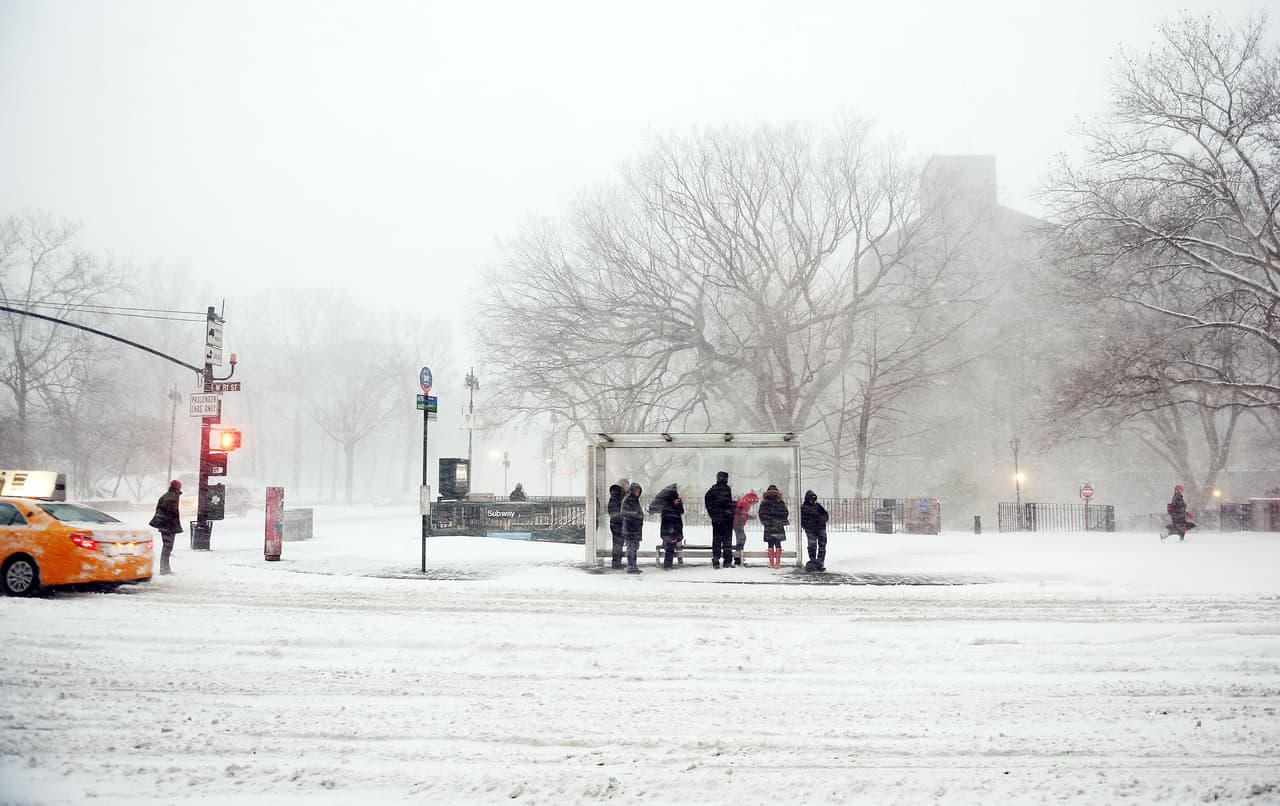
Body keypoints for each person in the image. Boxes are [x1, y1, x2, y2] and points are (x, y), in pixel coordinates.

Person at [149, 479, 184, 575]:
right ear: (177, 487)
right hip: (168, 526)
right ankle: (164, 569)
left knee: (167, 547)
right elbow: (170, 513)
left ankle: (165, 568)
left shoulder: (168, 495)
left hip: (165, 525)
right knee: (167, 548)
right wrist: (173, 525)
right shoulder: (172, 497)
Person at [703, 471, 736, 569]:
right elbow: (727, 504)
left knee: (716, 539)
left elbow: (707, 500)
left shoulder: (713, 489)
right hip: (727, 519)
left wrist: (712, 513)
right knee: (727, 540)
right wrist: (731, 508)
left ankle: (716, 559)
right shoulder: (727, 489)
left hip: (717, 519)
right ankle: (727, 561)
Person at [649, 483, 685, 569]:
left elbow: (681, 511)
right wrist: (671, 530)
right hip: (671, 530)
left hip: (672, 530)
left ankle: (668, 565)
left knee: (670, 547)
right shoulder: (667, 505)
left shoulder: (670, 504)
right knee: (670, 547)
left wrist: (678, 504)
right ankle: (667, 565)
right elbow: (670, 517)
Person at [758, 484, 789, 568]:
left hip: (768, 526)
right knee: (778, 544)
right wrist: (780, 520)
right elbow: (785, 512)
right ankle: (777, 563)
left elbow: (761, 513)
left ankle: (771, 563)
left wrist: (765, 522)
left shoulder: (764, 502)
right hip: (778, 525)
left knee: (770, 544)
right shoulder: (780, 502)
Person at [619, 482, 646, 573]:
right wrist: (635, 515)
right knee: (631, 548)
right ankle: (631, 567)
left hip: (635, 528)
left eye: (639, 491)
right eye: (637, 491)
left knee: (634, 548)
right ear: (633, 490)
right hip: (630, 528)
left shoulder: (634, 499)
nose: (638, 493)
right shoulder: (628, 499)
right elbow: (623, 512)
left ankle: (633, 566)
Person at [800, 490, 829, 572]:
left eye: (813, 498)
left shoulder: (818, 506)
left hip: (820, 528)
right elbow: (802, 519)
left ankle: (820, 562)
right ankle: (813, 561)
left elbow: (825, 514)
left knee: (822, 546)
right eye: (811, 498)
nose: (812, 500)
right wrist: (807, 526)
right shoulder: (803, 507)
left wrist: (821, 520)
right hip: (811, 529)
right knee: (812, 546)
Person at [732, 491, 759, 566]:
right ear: (751, 500)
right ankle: (738, 557)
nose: (753, 504)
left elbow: (742, 514)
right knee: (741, 539)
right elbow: (743, 515)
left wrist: (750, 517)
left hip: (736, 523)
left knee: (740, 539)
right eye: (754, 502)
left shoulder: (743, 502)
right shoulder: (745, 503)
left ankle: (739, 555)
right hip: (738, 524)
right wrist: (742, 522)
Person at [607, 479, 628, 569]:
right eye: (627, 485)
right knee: (617, 544)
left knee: (618, 544)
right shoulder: (617, 497)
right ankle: (616, 563)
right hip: (617, 524)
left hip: (617, 523)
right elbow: (614, 511)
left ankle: (617, 562)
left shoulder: (619, 496)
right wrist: (621, 517)